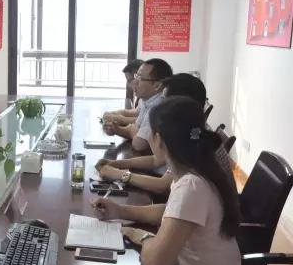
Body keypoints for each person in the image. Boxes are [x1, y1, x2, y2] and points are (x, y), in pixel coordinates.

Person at [91, 96, 252, 265]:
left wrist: (141, 236)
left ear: (158, 140)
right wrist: (121, 211)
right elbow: (172, 212)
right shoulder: (197, 171)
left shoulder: (191, 186)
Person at [96, 73, 234, 197]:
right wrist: (115, 163)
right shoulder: (190, 132)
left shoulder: (195, 142)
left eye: (163, 100)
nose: (158, 104)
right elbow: (157, 160)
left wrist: (119, 175)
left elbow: (162, 186)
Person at [104, 58, 173, 151]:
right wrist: (116, 129)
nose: (134, 82)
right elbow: (136, 131)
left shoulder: (157, 107)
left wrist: (130, 128)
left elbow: (139, 144)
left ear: (157, 86)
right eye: (136, 76)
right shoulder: (147, 100)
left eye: (141, 79)